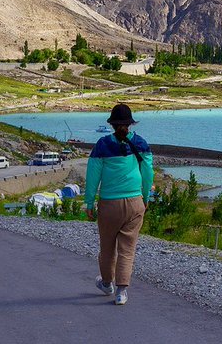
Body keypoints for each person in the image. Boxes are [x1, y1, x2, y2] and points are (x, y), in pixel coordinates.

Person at [85, 103, 153, 306]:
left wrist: (89, 202)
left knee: (107, 247)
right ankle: (122, 292)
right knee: (127, 249)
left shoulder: (102, 145)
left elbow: (92, 176)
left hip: (109, 204)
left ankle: (107, 284)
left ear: (112, 124)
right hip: (134, 203)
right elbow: (148, 173)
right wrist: (145, 197)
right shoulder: (141, 144)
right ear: (130, 124)